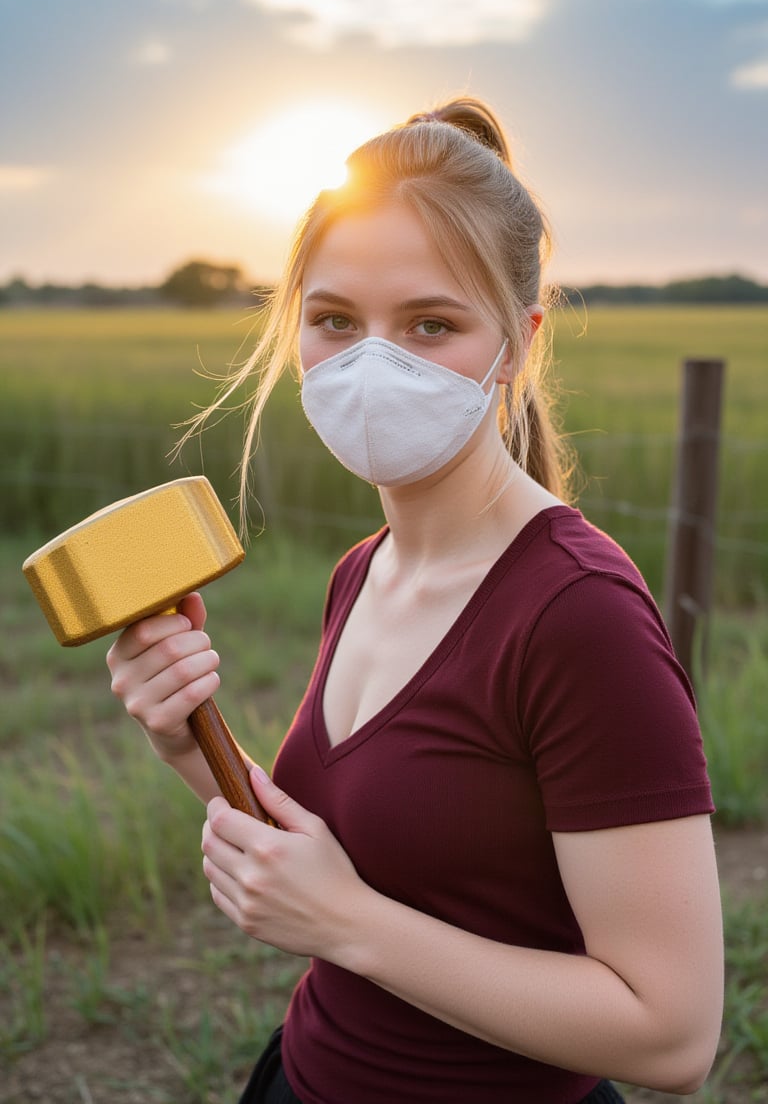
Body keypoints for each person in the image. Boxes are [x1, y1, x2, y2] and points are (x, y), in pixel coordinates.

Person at [107, 97, 724, 1104]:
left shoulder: (578, 615)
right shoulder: (366, 568)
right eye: (335, 321)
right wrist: (190, 748)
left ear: (517, 344)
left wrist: (346, 923)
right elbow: (364, 856)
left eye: (430, 324)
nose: (369, 365)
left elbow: (671, 1034)